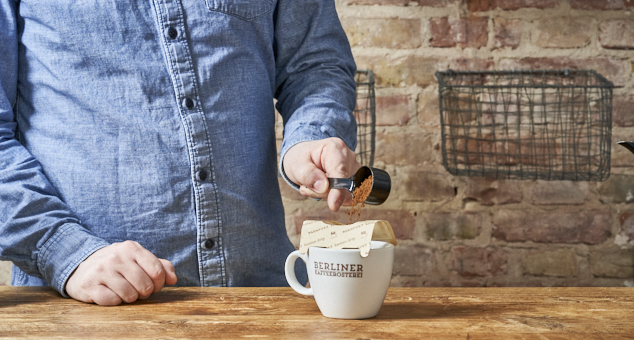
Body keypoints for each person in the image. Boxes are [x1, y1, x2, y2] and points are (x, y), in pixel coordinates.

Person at [0, 0, 360, 305]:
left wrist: (311, 135)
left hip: (261, 298)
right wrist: (64, 250)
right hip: (86, 308)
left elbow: (316, 64)